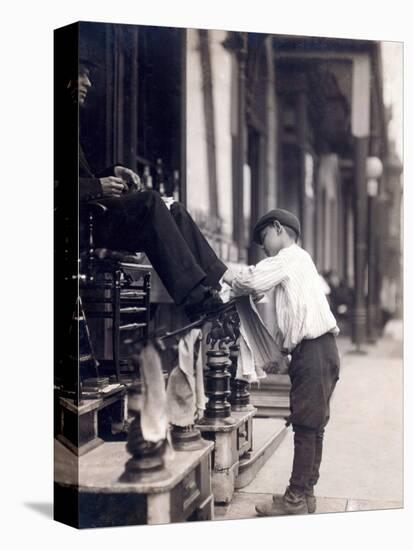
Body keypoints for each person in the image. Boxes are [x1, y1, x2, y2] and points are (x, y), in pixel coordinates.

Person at [58, 60, 227, 317]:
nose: (88, 82)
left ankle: (219, 285)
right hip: (78, 228)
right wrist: (97, 186)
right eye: (81, 74)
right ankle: (195, 299)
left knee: (173, 208)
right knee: (149, 202)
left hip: (92, 216)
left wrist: (111, 173)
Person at [223, 209, 340, 515]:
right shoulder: (298, 265)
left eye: (263, 238)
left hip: (314, 351)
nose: (262, 247)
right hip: (320, 351)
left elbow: (251, 280)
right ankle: (305, 494)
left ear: (278, 229)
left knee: (305, 426)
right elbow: (287, 320)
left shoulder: (290, 257)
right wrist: (280, 353)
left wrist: (226, 277)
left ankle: (295, 499)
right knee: (314, 426)